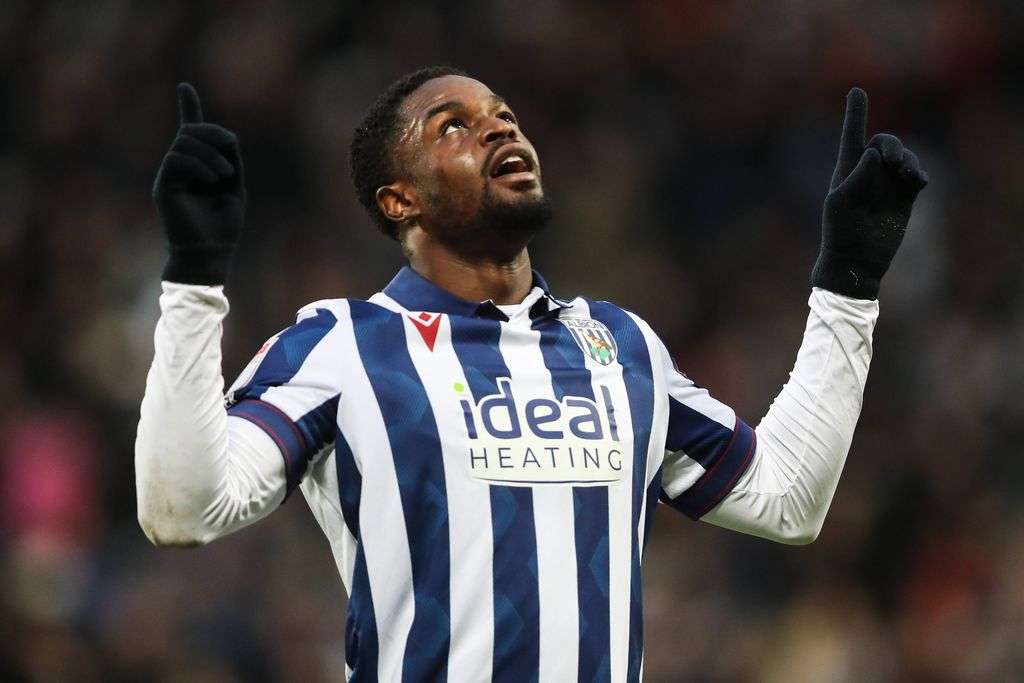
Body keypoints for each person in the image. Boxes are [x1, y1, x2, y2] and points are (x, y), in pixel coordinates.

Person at [135, 66, 928, 682]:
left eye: (503, 115)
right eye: (454, 126)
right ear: (399, 199)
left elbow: (788, 498)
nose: (497, 127)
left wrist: (848, 283)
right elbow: (184, 509)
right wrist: (195, 278)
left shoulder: (620, 346)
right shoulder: (341, 345)